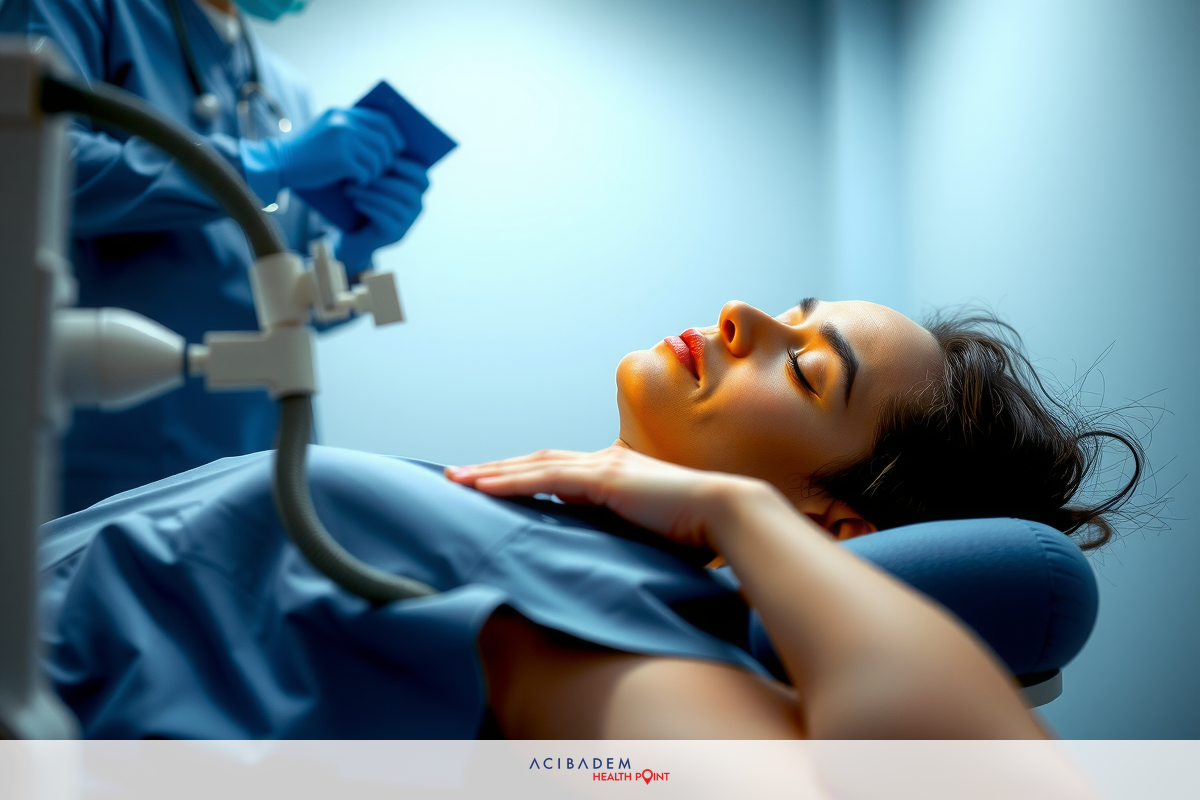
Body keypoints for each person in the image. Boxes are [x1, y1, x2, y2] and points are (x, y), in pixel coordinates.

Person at [36, 296, 1143, 739]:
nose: (743, 313)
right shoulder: (558, 533)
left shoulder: (605, 614)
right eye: (794, 308)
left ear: (826, 517)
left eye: (805, 367)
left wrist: (728, 512)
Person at [0, 0, 431, 513]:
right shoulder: (84, 10)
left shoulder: (284, 88)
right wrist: (263, 164)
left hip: (266, 450)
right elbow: (38, 167)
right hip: (111, 443)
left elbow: (298, 303)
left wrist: (360, 244)